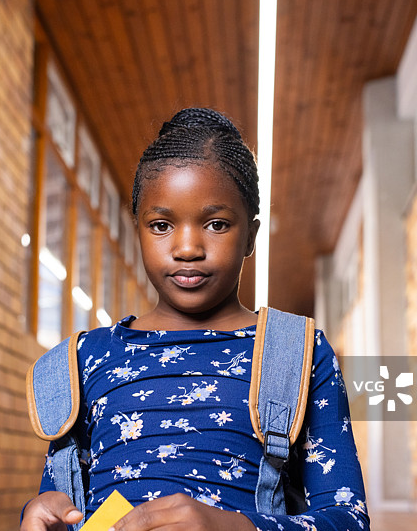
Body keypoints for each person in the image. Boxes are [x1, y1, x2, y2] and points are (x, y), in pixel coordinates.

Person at [20, 108, 369, 531]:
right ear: (138, 230)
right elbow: (60, 500)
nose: (187, 248)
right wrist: (42, 512)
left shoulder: (296, 353)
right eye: (161, 225)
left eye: (216, 224)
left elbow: (348, 520)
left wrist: (234, 527)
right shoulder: (82, 360)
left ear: (251, 236)